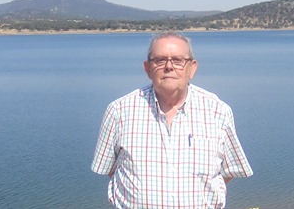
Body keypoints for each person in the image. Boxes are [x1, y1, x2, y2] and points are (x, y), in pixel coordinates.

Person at [91, 32, 253, 208]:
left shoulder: (218, 112)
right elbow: (110, 169)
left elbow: (229, 170)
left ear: (192, 68)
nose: (169, 66)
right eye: (160, 60)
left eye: (177, 60)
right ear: (147, 68)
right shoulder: (119, 111)